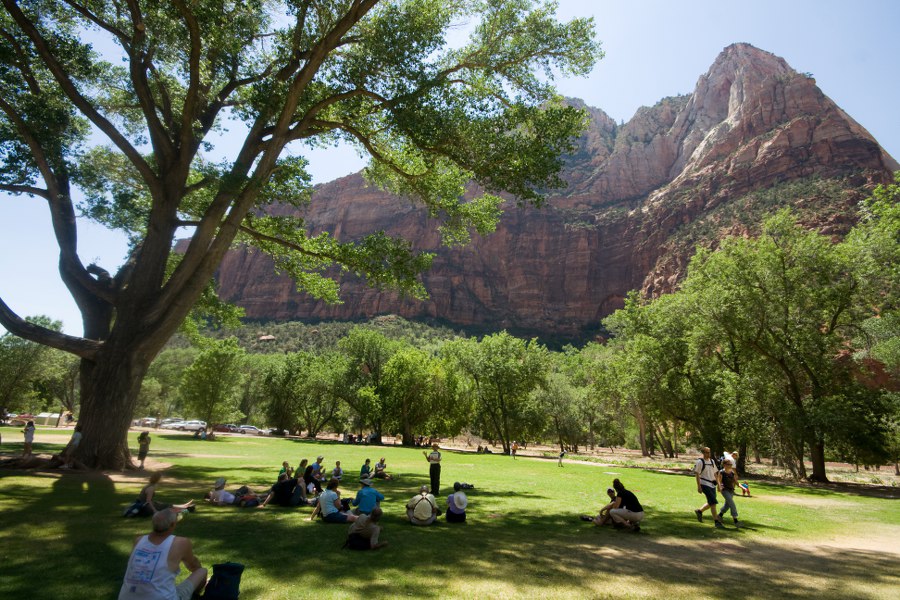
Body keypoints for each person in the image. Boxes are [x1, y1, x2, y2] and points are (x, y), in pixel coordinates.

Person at [118, 508, 207, 600]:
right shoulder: (181, 542)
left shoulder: (138, 540)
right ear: (173, 524)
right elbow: (193, 566)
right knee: (202, 571)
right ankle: (194, 596)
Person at [693, 447, 724, 528]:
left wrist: (718, 485)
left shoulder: (712, 461)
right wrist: (699, 486)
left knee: (711, 502)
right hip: (704, 484)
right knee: (713, 503)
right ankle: (716, 521)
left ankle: (699, 511)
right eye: (706, 452)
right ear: (703, 453)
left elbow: (715, 474)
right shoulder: (700, 462)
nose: (708, 454)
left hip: (712, 485)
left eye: (709, 452)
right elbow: (697, 475)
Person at [717, 457, 742, 527]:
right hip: (724, 490)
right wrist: (719, 487)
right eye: (728, 464)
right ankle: (735, 521)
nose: (730, 465)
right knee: (732, 504)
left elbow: (736, 481)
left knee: (727, 505)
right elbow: (719, 480)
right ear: (724, 465)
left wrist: (742, 487)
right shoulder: (721, 472)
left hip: (731, 490)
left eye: (731, 464)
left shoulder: (732, 473)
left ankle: (719, 515)